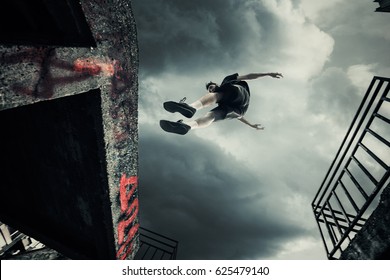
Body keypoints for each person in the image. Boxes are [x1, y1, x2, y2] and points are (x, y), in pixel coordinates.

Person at [160, 72, 283, 135]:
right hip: (237, 109)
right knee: (212, 115)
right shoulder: (222, 102)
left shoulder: (227, 80)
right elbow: (238, 116)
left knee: (218, 95)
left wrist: (267, 74)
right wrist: (251, 125)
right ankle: (187, 126)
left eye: (212, 87)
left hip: (239, 93)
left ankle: (191, 107)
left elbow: (249, 76)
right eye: (209, 90)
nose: (211, 89)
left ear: (217, 84)